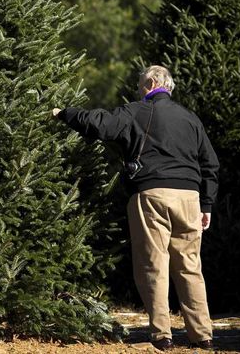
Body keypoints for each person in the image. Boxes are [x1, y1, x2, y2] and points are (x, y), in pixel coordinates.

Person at [53, 65, 218, 351]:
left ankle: (162, 335)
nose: (138, 89)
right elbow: (210, 163)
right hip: (190, 198)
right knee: (190, 266)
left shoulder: (137, 111)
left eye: (140, 84)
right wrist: (207, 203)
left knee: (153, 264)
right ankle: (202, 335)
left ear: (152, 83)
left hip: (152, 194)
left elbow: (100, 123)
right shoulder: (190, 118)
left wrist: (64, 113)